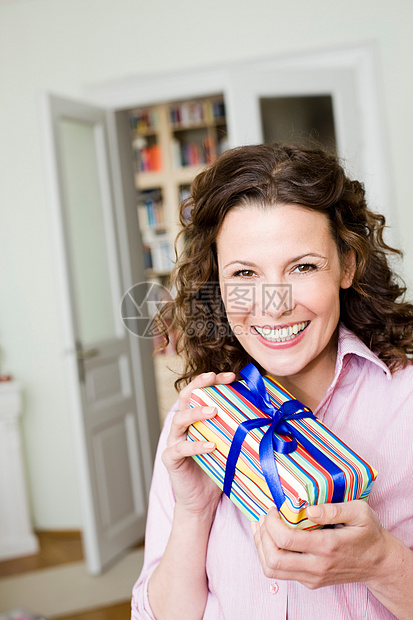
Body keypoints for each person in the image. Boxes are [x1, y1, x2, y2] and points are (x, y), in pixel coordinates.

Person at [131, 144, 413, 620]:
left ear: (347, 265)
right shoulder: (200, 419)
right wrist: (194, 511)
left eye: (303, 267)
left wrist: (382, 563)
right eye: (244, 273)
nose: (272, 305)